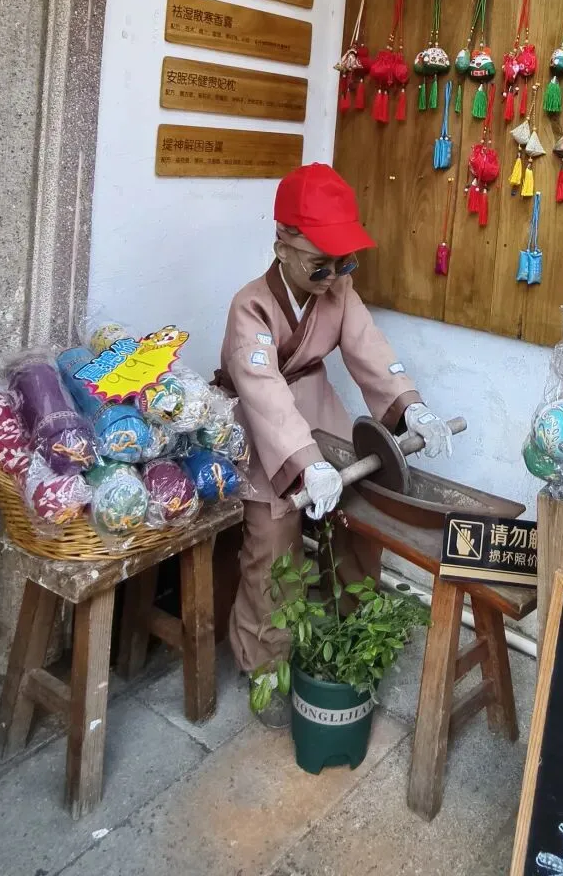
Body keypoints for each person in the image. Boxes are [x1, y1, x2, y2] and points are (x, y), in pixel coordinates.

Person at [217, 162, 453, 724]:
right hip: (263, 424)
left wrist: (411, 406)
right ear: (282, 245)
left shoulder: (339, 292)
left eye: (344, 262)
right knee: (273, 543)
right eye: (320, 264)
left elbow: (369, 347)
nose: (332, 276)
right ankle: (264, 665)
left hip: (318, 408)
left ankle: (354, 632)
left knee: (360, 518)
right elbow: (263, 390)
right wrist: (305, 463)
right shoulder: (251, 306)